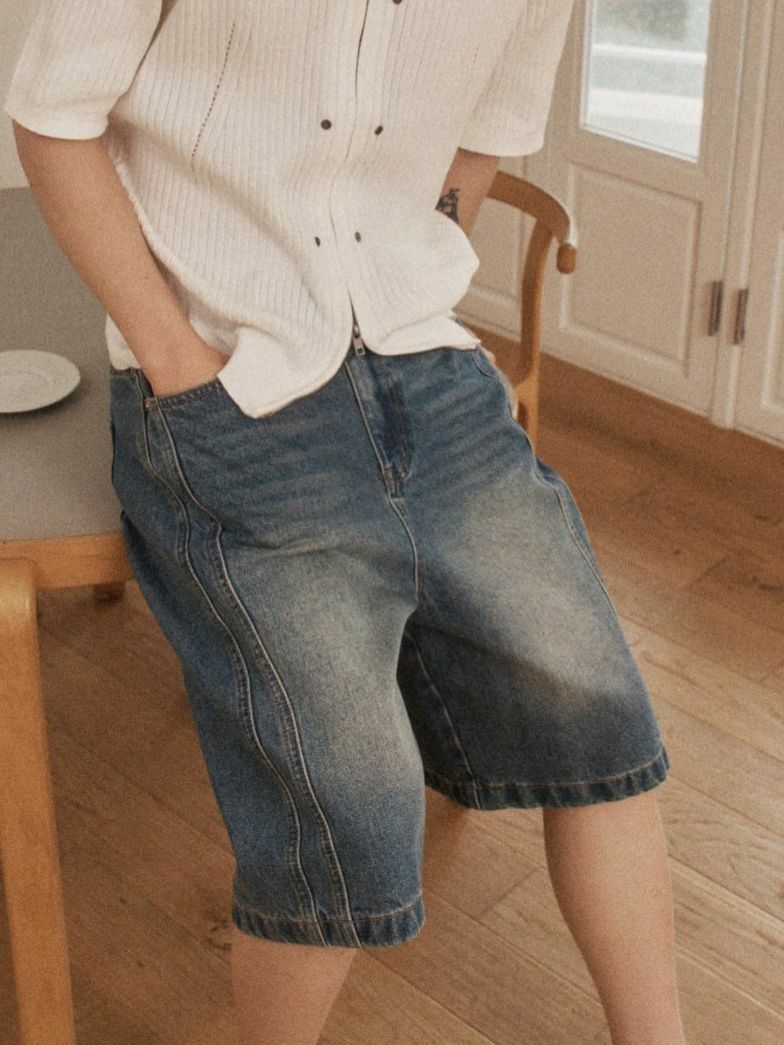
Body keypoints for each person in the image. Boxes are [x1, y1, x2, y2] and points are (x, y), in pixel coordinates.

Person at [4, 3, 687, 1044]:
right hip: (230, 384)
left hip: (431, 369)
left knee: (604, 728)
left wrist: (401, 289)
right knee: (348, 814)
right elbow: (54, 119)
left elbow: (484, 137)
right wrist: (177, 360)